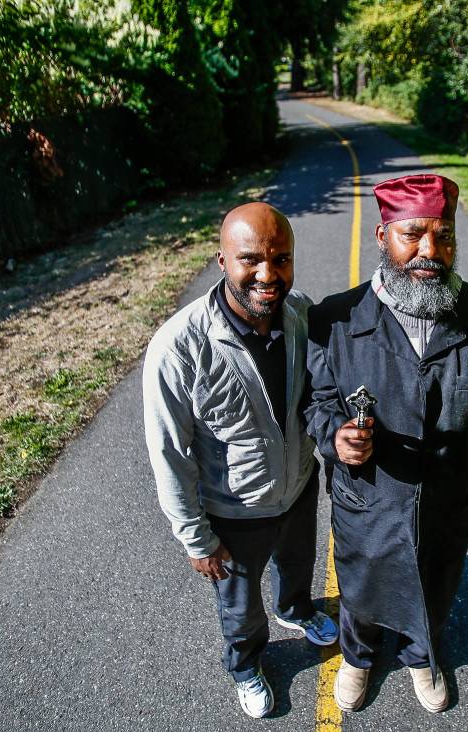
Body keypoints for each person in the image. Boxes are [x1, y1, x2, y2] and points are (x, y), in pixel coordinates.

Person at [305, 174, 468, 714]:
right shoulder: (334, 318)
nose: (431, 251)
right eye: (413, 234)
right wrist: (336, 437)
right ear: (382, 236)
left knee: (437, 583)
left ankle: (423, 655)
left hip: (451, 502)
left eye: (443, 235)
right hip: (368, 500)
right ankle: (357, 656)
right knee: (360, 584)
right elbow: (315, 402)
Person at [143, 202, 337, 719]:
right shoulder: (178, 347)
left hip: (296, 488)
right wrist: (196, 538)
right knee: (240, 605)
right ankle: (246, 664)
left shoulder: (300, 314)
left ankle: (296, 609)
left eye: (281, 259)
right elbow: (169, 453)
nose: (267, 274)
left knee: (298, 566)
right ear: (221, 260)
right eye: (250, 259)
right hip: (233, 513)